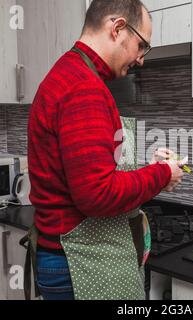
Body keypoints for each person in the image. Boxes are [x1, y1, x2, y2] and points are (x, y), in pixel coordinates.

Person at [26, 0, 184, 300]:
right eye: (141, 45)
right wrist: (161, 174)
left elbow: (90, 173)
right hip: (78, 262)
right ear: (118, 29)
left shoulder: (70, 73)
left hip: (68, 258)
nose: (141, 59)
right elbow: (97, 195)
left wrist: (143, 169)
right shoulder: (84, 88)